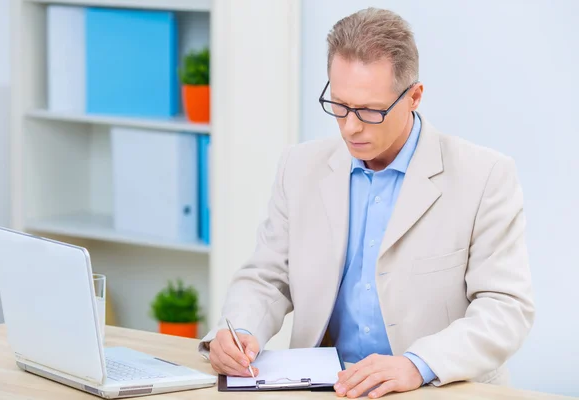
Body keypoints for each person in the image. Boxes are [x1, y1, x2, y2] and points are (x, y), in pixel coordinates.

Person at [199, 7, 534, 399]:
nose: (350, 126)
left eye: (370, 111)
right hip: (324, 388)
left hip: (434, 388)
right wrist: (239, 331)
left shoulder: (484, 175)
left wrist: (417, 364)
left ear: (414, 97)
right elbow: (268, 275)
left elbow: (505, 308)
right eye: (338, 105)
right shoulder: (300, 166)